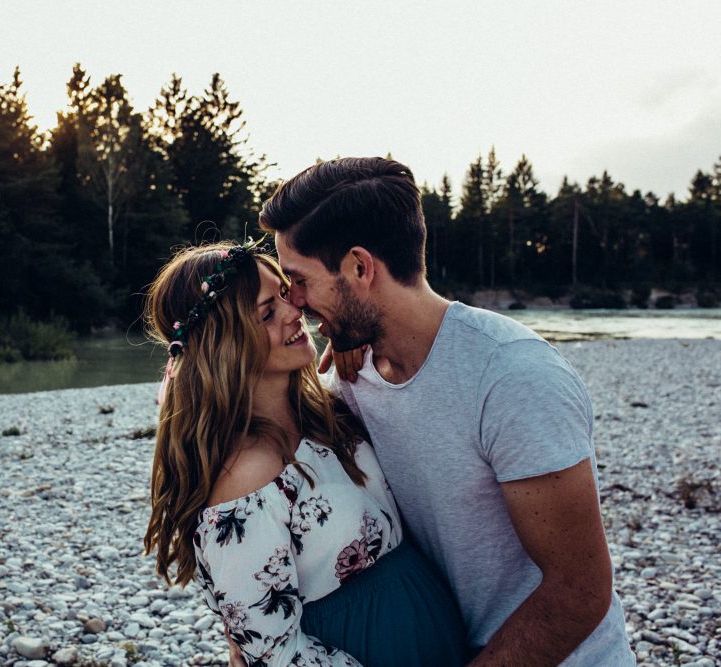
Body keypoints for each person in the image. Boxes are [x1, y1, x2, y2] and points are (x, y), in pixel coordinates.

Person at [257, 157, 635, 665]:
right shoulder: (348, 375)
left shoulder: (512, 378)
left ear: (359, 268)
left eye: (299, 280)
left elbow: (580, 592)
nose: (295, 302)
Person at [143, 241, 469, 666]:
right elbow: (274, 654)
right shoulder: (246, 477)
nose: (293, 309)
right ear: (226, 345)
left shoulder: (325, 411)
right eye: (266, 312)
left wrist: (354, 335)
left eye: (283, 292)